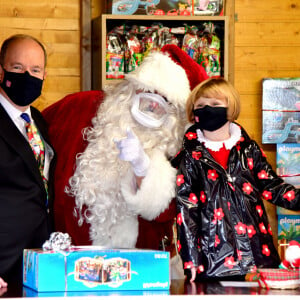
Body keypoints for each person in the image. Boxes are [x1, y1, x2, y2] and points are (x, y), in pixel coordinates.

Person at [42, 45, 208, 256]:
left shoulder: (179, 145)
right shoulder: (77, 108)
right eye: (147, 90)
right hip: (65, 261)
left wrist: (143, 168)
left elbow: (169, 211)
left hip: (137, 269)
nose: (152, 104)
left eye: (164, 100)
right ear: (131, 87)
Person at [174, 77, 300, 282]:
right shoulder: (190, 157)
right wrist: (191, 259)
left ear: (230, 108)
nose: (207, 109)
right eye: (201, 105)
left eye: (215, 104)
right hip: (213, 262)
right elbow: (186, 209)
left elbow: (273, 187)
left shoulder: (249, 150)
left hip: (258, 257)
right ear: (193, 112)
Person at [0, 34, 55, 286]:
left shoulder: (41, 123)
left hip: (39, 264)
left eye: (35, 70)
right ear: (1, 71)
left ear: (44, 76)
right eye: (17, 68)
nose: (27, 76)